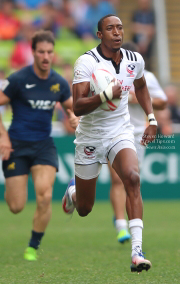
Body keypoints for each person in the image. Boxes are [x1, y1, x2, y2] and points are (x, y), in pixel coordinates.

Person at [62, 14, 158, 273]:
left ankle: (137, 252)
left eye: (120, 28)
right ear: (99, 35)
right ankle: (72, 194)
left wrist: (151, 119)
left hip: (120, 132)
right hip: (90, 137)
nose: (117, 32)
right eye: (110, 28)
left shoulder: (134, 59)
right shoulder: (86, 62)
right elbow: (78, 106)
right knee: (84, 208)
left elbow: (142, 87)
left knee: (132, 177)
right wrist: (105, 95)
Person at [0, 30, 79, 261]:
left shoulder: (58, 83)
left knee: (44, 196)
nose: (46, 56)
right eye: (41, 52)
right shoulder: (18, 79)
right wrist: (3, 136)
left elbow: (74, 109)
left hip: (43, 146)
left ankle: (33, 246)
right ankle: (17, 186)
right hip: (16, 145)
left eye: (49, 52)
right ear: (33, 52)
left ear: (53, 53)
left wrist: (75, 117)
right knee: (16, 206)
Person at [108, 41, 167, 244]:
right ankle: (121, 225)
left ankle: (126, 220)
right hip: (114, 131)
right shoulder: (109, 75)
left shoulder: (146, 77)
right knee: (117, 179)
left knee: (131, 180)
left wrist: (138, 99)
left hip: (137, 134)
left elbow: (163, 101)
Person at [131, 0, 155, 70]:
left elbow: (152, 30)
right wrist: (146, 29)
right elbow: (133, 28)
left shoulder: (151, 14)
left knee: (147, 63)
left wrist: (139, 28)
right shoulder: (135, 13)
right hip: (136, 43)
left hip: (148, 44)